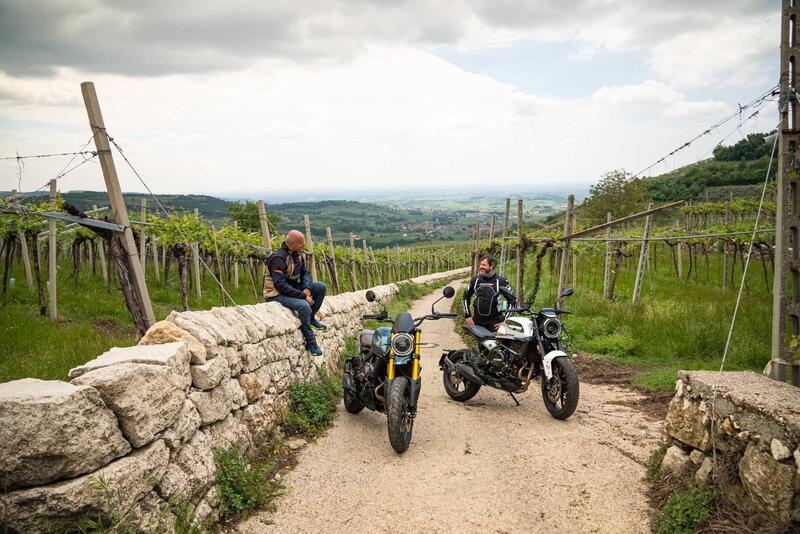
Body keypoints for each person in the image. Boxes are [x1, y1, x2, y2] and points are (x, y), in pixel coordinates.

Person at [264, 230, 327, 357]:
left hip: (292, 289)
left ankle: (310, 318)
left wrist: (306, 288)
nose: (303, 246)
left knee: (320, 287)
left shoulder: (297, 254)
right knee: (303, 306)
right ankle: (311, 342)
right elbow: (280, 286)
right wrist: (303, 296)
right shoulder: (278, 258)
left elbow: (305, 273)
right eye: (301, 244)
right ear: (293, 244)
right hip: (275, 293)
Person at [462, 255, 516, 331]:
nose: (481, 267)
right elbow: (465, 297)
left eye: (484, 265)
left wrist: (506, 321)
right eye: (480, 265)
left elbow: (512, 300)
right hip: (477, 321)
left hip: (495, 321)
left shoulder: (501, 281)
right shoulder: (475, 280)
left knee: (497, 343)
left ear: (491, 266)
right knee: (477, 342)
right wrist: (467, 316)